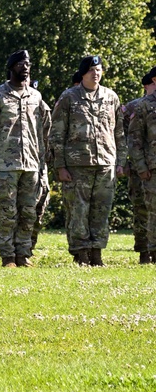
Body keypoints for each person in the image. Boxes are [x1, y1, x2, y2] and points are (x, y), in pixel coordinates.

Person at [0, 49, 51, 269]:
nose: (25, 67)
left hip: (31, 164)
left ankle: (23, 254)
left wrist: (43, 161)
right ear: (11, 68)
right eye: (21, 64)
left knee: (28, 213)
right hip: (5, 165)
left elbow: (43, 130)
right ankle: (8, 256)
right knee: (8, 213)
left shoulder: (36, 96)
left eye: (28, 64)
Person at [50, 55, 125, 267]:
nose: (96, 73)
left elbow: (119, 132)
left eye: (99, 69)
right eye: (92, 70)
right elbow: (56, 133)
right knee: (78, 210)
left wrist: (120, 161)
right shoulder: (69, 97)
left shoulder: (111, 97)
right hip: (77, 165)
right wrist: (60, 165)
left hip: (105, 163)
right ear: (83, 73)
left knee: (102, 210)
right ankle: (81, 253)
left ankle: (97, 252)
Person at [122, 68, 156, 258]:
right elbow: (132, 139)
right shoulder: (142, 106)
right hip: (151, 167)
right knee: (148, 210)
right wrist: (140, 167)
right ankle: (149, 251)